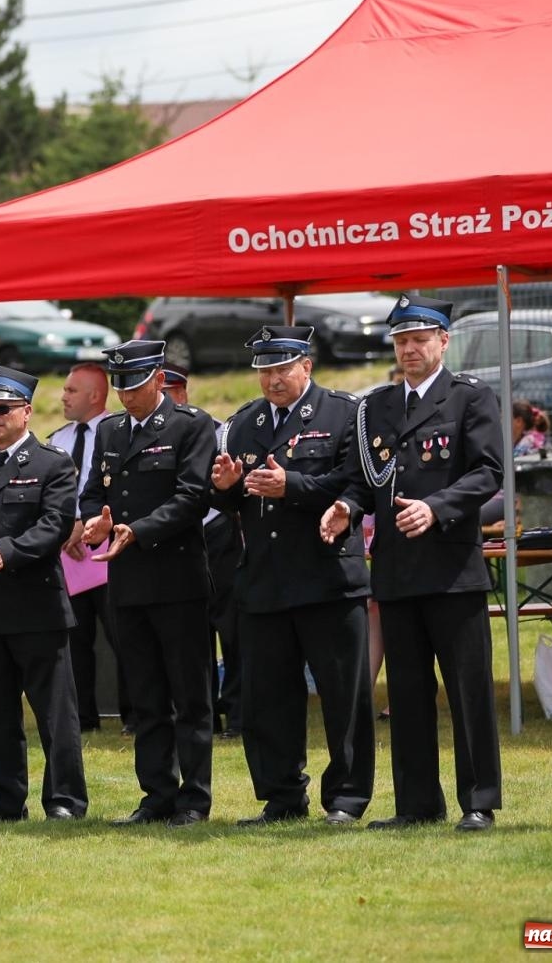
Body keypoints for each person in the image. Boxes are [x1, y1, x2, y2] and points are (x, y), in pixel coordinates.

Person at [319, 295, 503, 833]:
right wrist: (345, 508)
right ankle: (418, 803)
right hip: (396, 570)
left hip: (451, 568)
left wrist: (437, 507)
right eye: (401, 341)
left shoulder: (469, 396)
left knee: (467, 692)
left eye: (420, 339)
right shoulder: (375, 406)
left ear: (443, 341)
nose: (409, 350)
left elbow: (489, 471)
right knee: (406, 692)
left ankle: (479, 801)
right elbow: (363, 479)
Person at [211, 325, 375, 826]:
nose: (273, 380)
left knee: (343, 697)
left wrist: (295, 486)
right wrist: (225, 488)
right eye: (265, 371)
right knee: (268, 700)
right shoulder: (243, 423)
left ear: (306, 366)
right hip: (265, 581)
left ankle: (346, 798)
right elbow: (231, 501)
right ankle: (281, 796)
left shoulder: (344, 413)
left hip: (327, 578)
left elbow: (359, 483)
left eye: (282, 368)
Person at [0, 365, 87, 823]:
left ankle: (64, 800)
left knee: (55, 714)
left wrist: (6, 551)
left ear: (26, 411)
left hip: (37, 606)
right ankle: (4, 802)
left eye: (2, 409)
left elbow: (55, 525)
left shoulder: (52, 463)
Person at [80, 341, 216, 828]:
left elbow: (192, 497)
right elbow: (94, 492)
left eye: (134, 386)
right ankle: (157, 794)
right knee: (146, 696)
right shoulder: (111, 430)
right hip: (128, 582)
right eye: (120, 387)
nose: (126, 396)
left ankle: (194, 798)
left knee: (190, 696)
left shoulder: (191, 425)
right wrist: (94, 521)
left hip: (177, 580)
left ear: (159, 379)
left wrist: (137, 531)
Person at [164, 361, 243, 739]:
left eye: (168, 394)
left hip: (219, 535)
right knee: (191, 636)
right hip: (177, 541)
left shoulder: (218, 432)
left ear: (183, 392)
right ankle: (203, 715)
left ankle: (239, 713)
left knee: (233, 630)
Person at [46, 363, 120, 732]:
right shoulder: (57, 440)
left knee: (124, 638)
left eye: (72, 390)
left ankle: (136, 715)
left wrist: (86, 525)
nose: (63, 396)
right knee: (74, 642)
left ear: (95, 395)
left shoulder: (117, 433)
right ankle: (83, 719)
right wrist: (64, 530)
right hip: (69, 557)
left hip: (110, 551)